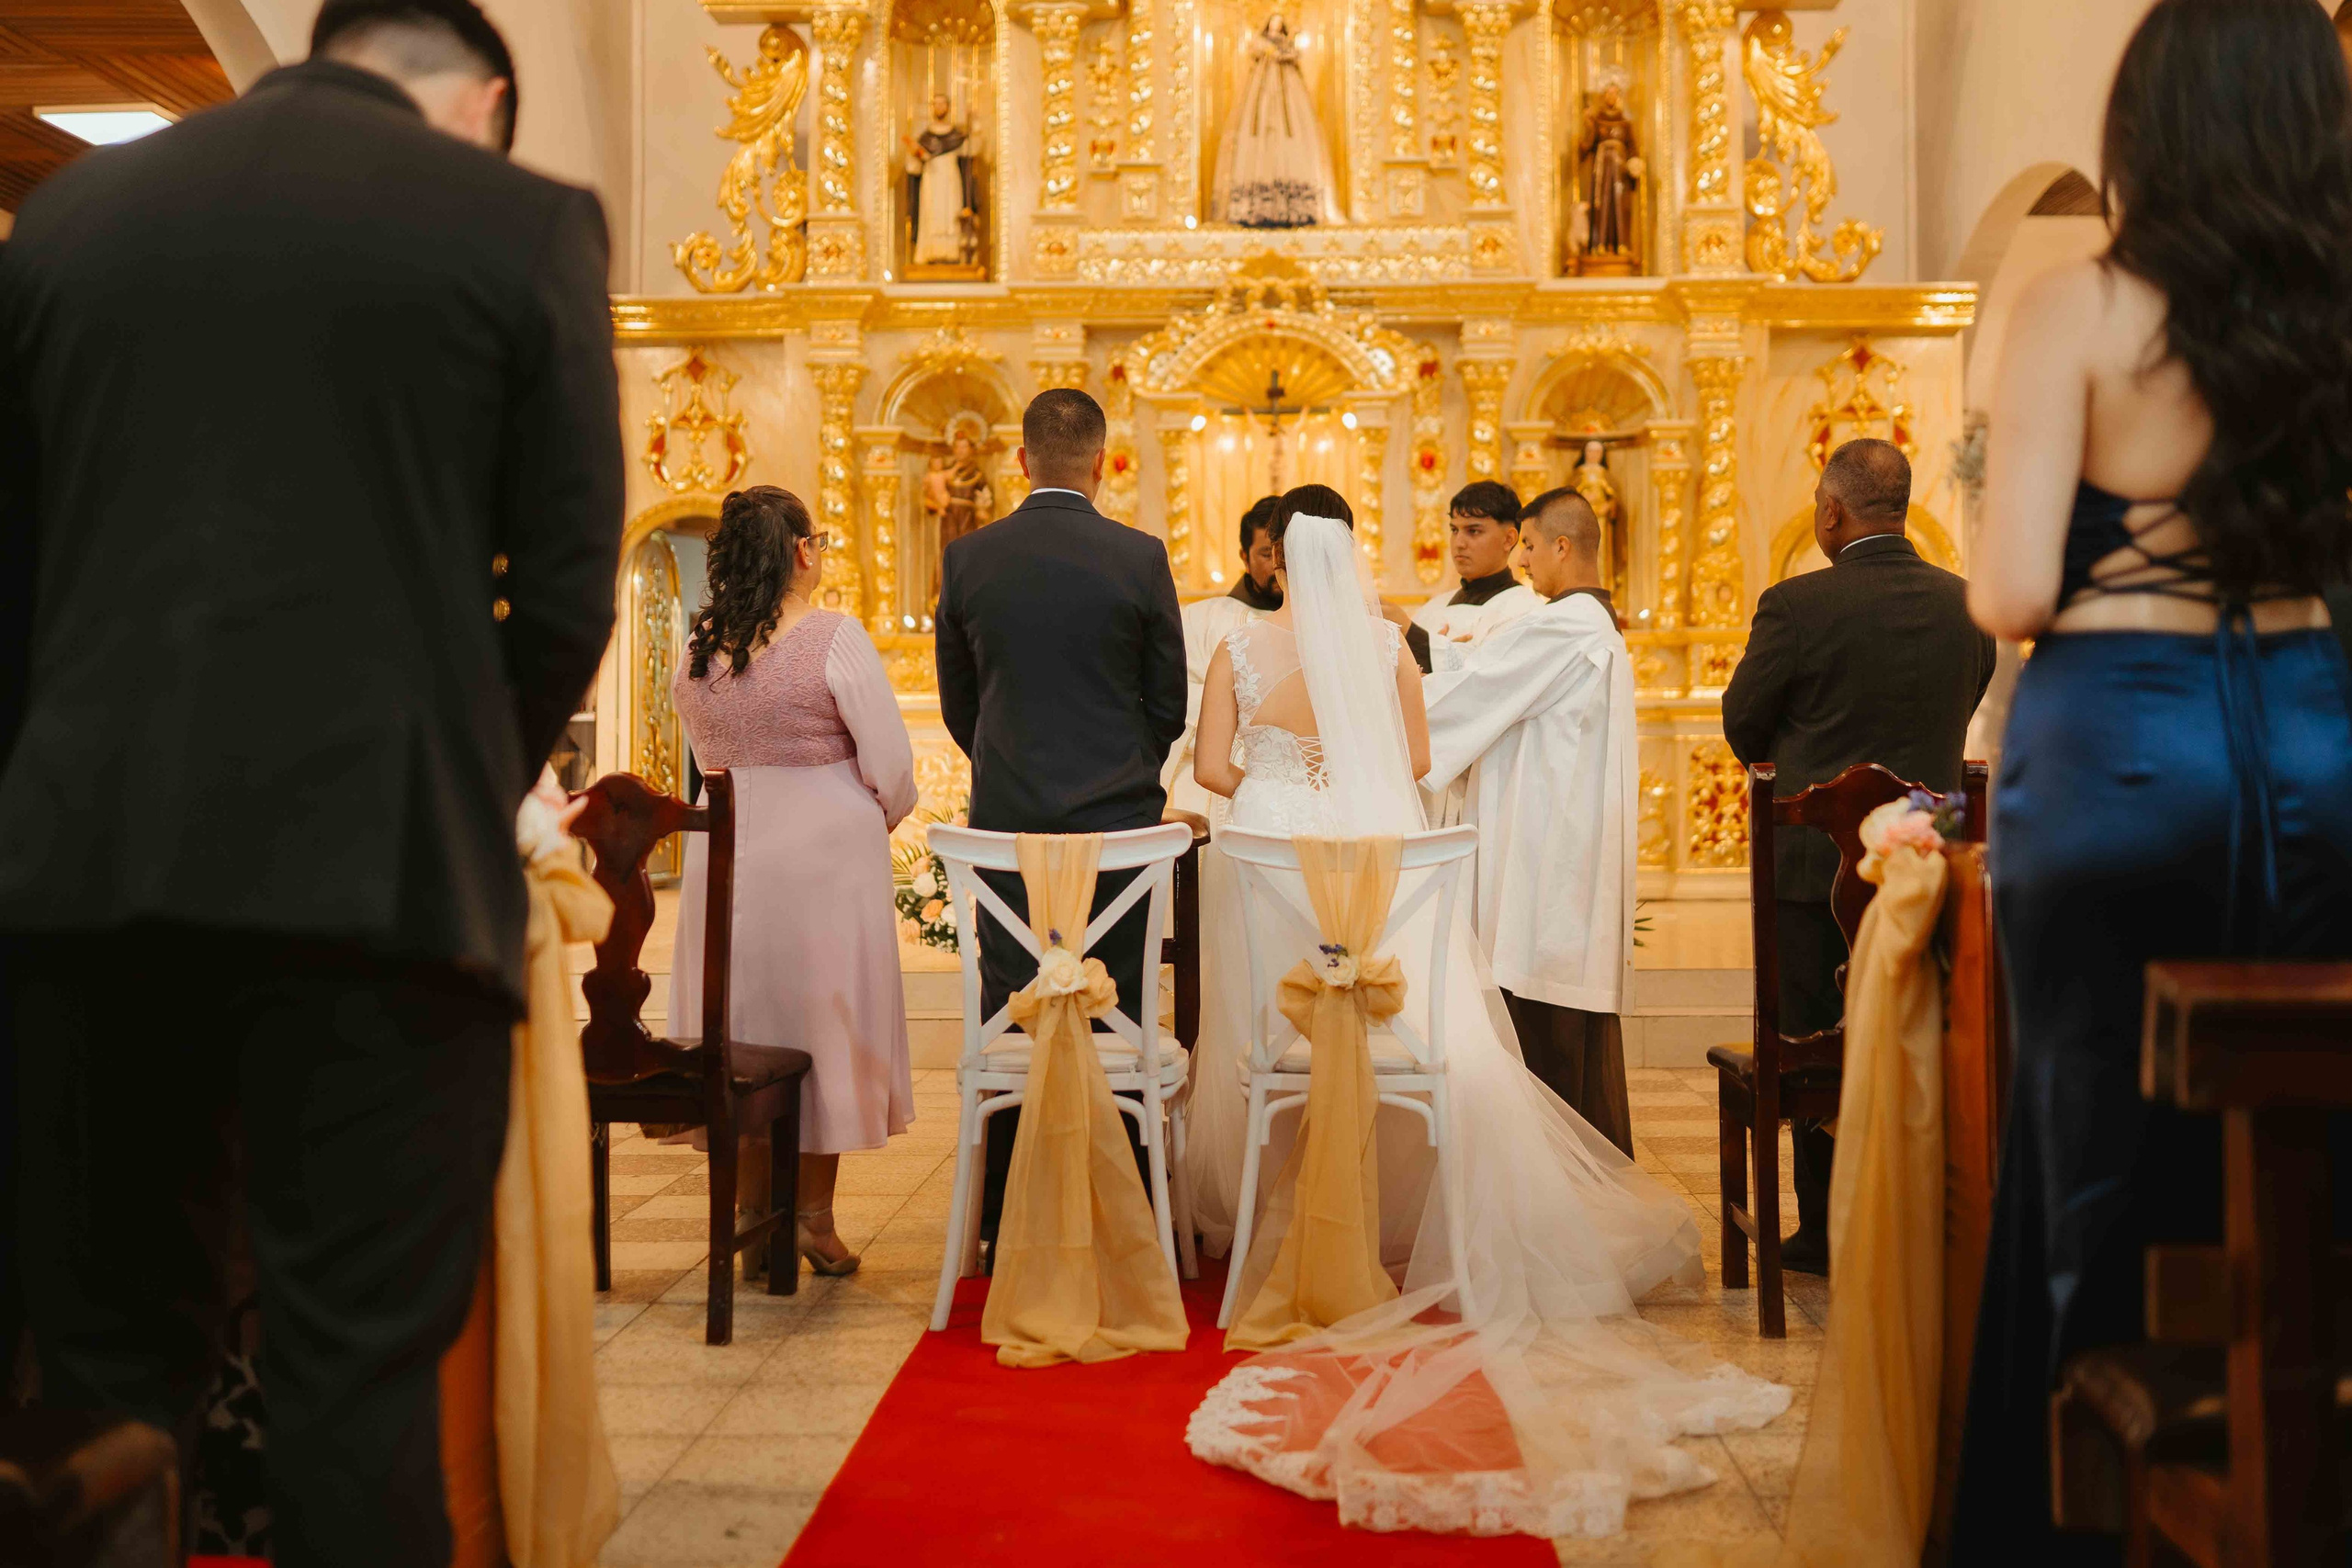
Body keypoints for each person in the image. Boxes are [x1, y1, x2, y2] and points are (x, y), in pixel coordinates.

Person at [0, 0, 621, 1561]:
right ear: (482, 99)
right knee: (355, 1369)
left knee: (100, 1374)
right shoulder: (521, 223)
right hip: (379, 884)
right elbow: (562, 589)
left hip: (87, 870)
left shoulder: (70, 215)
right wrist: (458, 768)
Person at [1951, 2, 2352, 1556]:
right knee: (2305, 1126)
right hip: (2318, 725)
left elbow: (2008, 597)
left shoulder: (2084, 304)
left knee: (2097, 1146)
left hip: (2124, 736)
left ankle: (2094, 1515)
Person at [1186, 505, 1789, 1537]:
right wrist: (1345, 790)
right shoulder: (1388, 647)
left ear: (1274, 563)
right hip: (1375, 857)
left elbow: (1207, 773)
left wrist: (1278, 794)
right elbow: (1417, 768)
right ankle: (1397, 1221)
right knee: (1410, 1024)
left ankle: (1277, 1216)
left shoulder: (1233, 646)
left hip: (1266, 854)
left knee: (1268, 1031)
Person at [1719, 437, 1993, 1275]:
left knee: (1814, 1038)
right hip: (1929, 873)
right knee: (1923, 1030)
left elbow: (1743, 725)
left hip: (1815, 878)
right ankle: (1919, 1220)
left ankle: (1829, 1230)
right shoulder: (1969, 605)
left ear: (1831, 511)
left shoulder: (1796, 605)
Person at [935, 388, 1188, 1258]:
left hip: (1006, 827)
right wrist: (1119, 774)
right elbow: (1169, 704)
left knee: (1016, 1004)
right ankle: (1121, 1215)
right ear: (1104, 462)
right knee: (1112, 1008)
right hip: (1120, 828)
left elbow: (956, 704)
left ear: (1022, 458)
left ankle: (1005, 1216)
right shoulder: (1140, 556)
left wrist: (1008, 767)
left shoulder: (969, 558)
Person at [669, 487, 918, 1277]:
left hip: (727, 852)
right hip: (824, 862)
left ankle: (751, 1211)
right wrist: (863, 816)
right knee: (823, 1027)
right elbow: (893, 768)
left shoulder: (698, 645)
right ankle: (811, 1217)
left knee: (741, 1022)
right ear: (803, 552)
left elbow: (703, 749)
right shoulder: (833, 638)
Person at [1421, 489, 1637, 1156]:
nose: (1524, 562)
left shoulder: (1567, 624)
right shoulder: (1588, 626)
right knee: (1559, 1012)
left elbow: (1472, 688)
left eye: (1532, 547)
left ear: (1563, 547)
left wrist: (1396, 658)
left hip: (1548, 860)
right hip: (1564, 852)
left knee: (1543, 1018)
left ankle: (1560, 1184)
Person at [1161, 492, 1283, 822]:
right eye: (1264, 554)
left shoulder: (1315, 623)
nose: (1276, 564)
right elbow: (1171, 693)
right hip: (1211, 776)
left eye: (1283, 553)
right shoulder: (1203, 618)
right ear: (1244, 556)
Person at [1210, 12, 1343, 228]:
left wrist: (1283, 53)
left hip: (1288, 100)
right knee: (1261, 135)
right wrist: (1270, 54)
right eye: (1272, 24)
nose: (1275, 27)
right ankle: (1257, 205)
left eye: (1279, 25)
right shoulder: (1261, 48)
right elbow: (1256, 52)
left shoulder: (1287, 51)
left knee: (1289, 137)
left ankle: (1295, 205)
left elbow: (1293, 56)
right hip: (1262, 98)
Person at [1407, 480, 1541, 674]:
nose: (1459, 543)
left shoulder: (1524, 612)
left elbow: (1490, 686)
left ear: (1509, 539)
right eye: (1454, 530)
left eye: (1473, 531)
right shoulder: (1432, 608)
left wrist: (1436, 659)